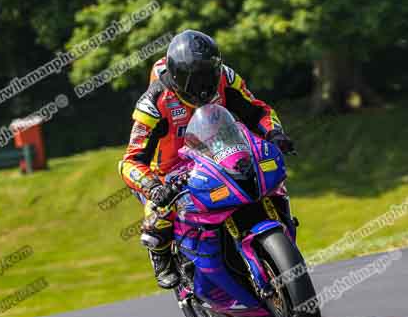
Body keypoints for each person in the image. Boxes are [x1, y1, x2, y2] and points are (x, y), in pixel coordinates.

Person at [119, 30, 294, 288]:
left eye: (208, 74)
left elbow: (258, 111)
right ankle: (161, 255)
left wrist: (274, 133)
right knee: (160, 215)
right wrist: (153, 187)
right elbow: (130, 161)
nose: (203, 85)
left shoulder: (227, 78)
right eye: (194, 78)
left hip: (220, 150)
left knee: (263, 179)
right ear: (176, 76)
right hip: (171, 171)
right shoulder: (154, 102)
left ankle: (278, 226)